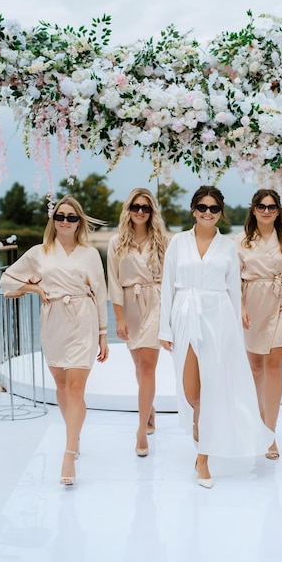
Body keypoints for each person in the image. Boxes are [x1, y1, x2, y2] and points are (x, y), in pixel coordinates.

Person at [159, 185, 272, 488]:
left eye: (214, 209)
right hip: (185, 314)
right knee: (192, 393)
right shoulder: (177, 243)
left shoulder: (227, 247)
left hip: (218, 317)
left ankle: (203, 459)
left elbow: (234, 290)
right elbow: (167, 286)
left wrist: (235, 330)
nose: (207, 213)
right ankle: (200, 425)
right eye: (202, 207)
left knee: (212, 388)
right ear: (193, 210)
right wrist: (164, 328)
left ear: (221, 213)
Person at [0, 195, 109, 486]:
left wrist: (102, 334)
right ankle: (74, 433)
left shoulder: (89, 254)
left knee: (75, 388)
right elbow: (7, 280)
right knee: (61, 386)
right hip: (53, 322)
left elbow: (100, 294)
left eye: (71, 217)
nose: (65, 221)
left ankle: (69, 451)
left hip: (82, 321)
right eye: (60, 216)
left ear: (79, 221)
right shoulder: (39, 252)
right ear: (53, 220)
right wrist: (33, 289)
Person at [235, 189, 282, 460]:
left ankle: (270, 431)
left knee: (274, 365)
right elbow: (233, 280)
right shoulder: (240, 241)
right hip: (251, 305)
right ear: (253, 210)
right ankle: (257, 419)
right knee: (255, 368)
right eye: (261, 206)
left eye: (272, 207)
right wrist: (240, 306)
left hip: (281, 304)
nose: (266, 211)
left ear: (278, 211)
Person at [107, 188, 168, 457]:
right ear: (128, 210)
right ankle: (150, 409)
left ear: (151, 211)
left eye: (145, 207)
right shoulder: (116, 242)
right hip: (130, 306)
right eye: (135, 207)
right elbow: (113, 282)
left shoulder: (163, 241)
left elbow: (171, 280)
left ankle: (141, 430)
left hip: (156, 302)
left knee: (147, 368)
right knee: (138, 365)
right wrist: (119, 317)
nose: (140, 211)